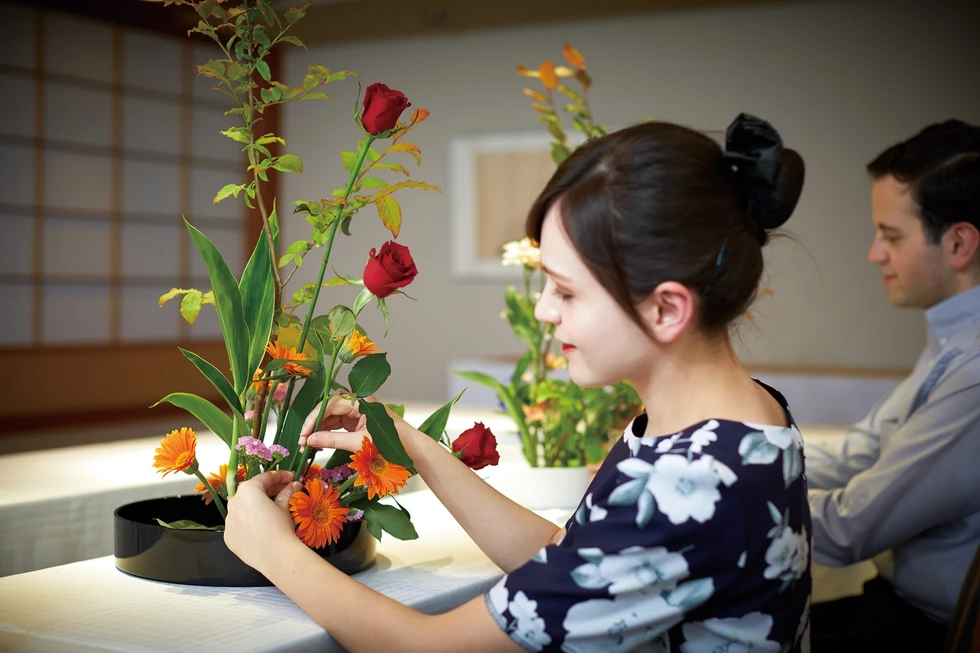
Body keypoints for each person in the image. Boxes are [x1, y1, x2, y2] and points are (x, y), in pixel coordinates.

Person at [222, 114, 812, 652]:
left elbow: (424, 648)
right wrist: (415, 448)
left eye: (567, 290)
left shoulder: (697, 478)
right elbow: (576, 561)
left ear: (665, 309)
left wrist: (270, 549)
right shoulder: (738, 419)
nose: (546, 312)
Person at [806, 119, 980, 652]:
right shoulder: (952, 341)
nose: (874, 253)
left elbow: (849, 529)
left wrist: (726, 495)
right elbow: (864, 449)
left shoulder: (974, 369)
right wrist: (729, 454)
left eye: (891, 235)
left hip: (924, 634)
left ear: (958, 243)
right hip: (892, 610)